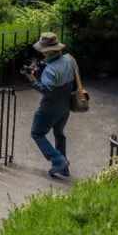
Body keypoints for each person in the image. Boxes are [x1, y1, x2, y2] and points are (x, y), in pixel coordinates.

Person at [23, 32, 75, 179]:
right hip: (65, 107)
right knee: (59, 134)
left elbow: (46, 90)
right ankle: (64, 168)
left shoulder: (50, 69)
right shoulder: (68, 60)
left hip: (49, 108)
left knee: (37, 133)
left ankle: (58, 161)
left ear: (48, 50)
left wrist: (32, 79)